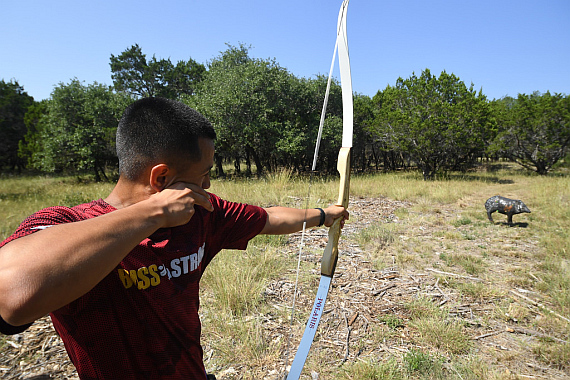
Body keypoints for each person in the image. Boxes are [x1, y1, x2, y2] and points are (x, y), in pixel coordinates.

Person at [0, 97, 348, 379]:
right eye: (204, 175)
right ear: (162, 178)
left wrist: (322, 216)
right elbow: (12, 297)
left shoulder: (199, 214)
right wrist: (153, 213)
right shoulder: (66, 224)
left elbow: (268, 217)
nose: (208, 185)